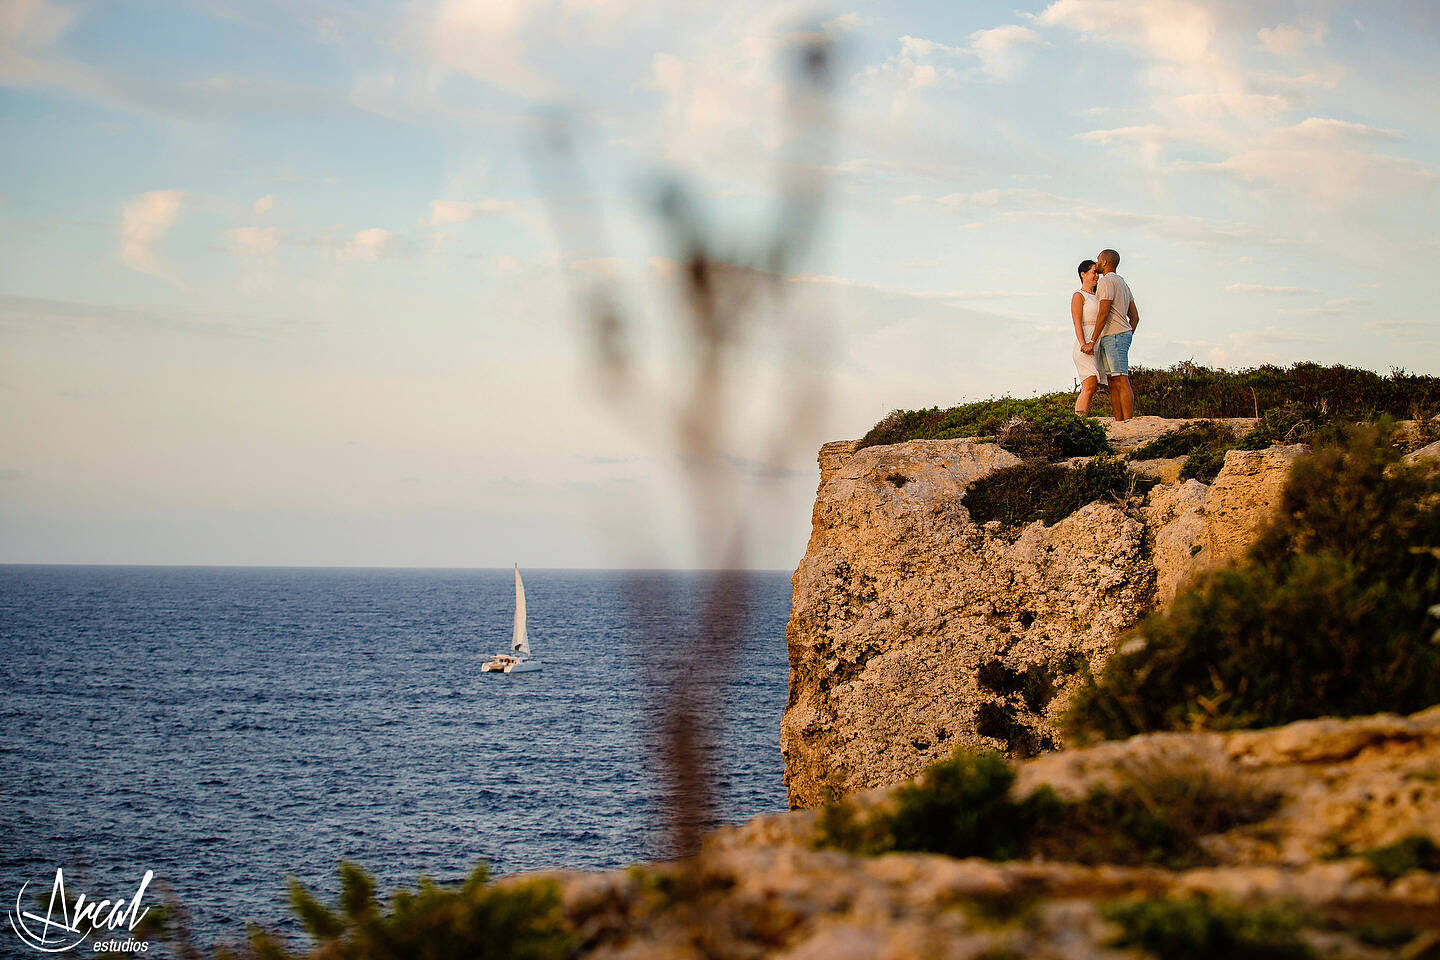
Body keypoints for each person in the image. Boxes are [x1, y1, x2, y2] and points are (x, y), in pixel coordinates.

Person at [1086, 248, 1140, 421]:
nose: (1097, 263)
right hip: (1118, 335)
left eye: (1098, 260)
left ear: (1105, 262)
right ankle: (1120, 420)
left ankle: (1128, 421)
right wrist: (1129, 333)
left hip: (1114, 335)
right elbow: (1135, 317)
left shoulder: (1106, 282)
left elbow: (1104, 312)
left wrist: (1092, 339)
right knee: (1112, 380)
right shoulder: (1123, 283)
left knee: (1121, 378)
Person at [1069, 259, 1105, 415]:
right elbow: (1077, 323)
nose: (1096, 276)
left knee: (1095, 385)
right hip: (1084, 344)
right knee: (1089, 384)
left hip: (1099, 343)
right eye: (1093, 272)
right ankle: (1079, 420)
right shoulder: (1079, 295)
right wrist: (1084, 344)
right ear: (1083, 274)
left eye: (1098, 272)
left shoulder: (1100, 295)